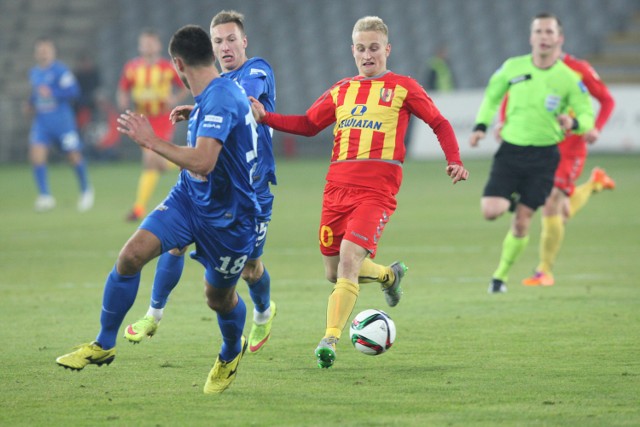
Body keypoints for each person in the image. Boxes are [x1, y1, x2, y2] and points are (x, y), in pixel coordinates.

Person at [250, 16, 469, 368]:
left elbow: (439, 122)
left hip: (376, 190)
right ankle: (388, 275)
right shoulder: (341, 90)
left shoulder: (403, 87)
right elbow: (308, 125)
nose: (368, 55)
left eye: (374, 48)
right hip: (336, 188)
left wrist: (454, 159)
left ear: (387, 49)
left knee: (350, 261)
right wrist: (266, 118)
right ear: (353, 51)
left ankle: (330, 339)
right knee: (333, 272)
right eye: (361, 49)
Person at [56, 24, 260, 394]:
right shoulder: (216, 93)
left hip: (231, 217)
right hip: (189, 199)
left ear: (177, 64)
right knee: (131, 255)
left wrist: (151, 141)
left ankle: (232, 350)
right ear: (209, 56)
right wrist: (193, 113)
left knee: (218, 298)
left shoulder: (219, 98)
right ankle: (104, 343)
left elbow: (202, 161)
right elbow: (219, 126)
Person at [124, 10, 278, 354]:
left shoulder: (256, 71)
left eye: (231, 39)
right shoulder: (211, 91)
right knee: (174, 242)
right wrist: (198, 110)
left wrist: (202, 106)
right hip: (205, 188)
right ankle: (154, 313)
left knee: (251, 269)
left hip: (250, 192)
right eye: (218, 41)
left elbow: (242, 104)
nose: (225, 47)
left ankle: (265, 312)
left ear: (244, 42)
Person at [469, 13, 595, 294]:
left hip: (544, 157)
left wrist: (574, 123)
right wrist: (480, 126)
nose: (544, 36)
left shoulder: (568, 78)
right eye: (539, 31)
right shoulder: (512, 67)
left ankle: (499, 277)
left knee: (522, 222)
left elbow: (587, 113)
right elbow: (492, 96)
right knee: (491, 211)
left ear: (559, 38)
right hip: (511, 152)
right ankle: (512, 199)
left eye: (549, 31)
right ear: (531, 37)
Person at [494, 40, 616, 288]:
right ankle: (595, 184)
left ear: (558, 41)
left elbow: (607, 100)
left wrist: (596, 128)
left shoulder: (578, 68)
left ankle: (544, 271)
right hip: (539, 145)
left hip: (570, 149)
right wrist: (502, 122)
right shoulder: (527, 68)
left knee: (551, 203)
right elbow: (511, 93)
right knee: (562, 212)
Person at [117, 29, 189, 221]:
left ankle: (139, 208)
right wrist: (123, 102)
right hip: (143, 120)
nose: (148, 46)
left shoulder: (167, 67)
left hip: (162, 119)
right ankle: (190, 162)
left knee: (150, 159)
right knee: (156, 164)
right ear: (140, 46)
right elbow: (123, 89)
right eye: (145, 43)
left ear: (158, 46)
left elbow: (185, 85)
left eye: (151, 43)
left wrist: (174, 99)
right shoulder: (132, 67)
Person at [25, 36, 94, 212]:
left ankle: (86, 190)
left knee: (73, 156)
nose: (43, 54)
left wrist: (53, 92)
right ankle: (45, 196)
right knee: (36, 155)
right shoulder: (34, 72)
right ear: (36, 53)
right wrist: (30, 104)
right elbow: (37, 94)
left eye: (46, 50)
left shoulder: (61, 71)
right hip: (42, 123)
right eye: (40, 51)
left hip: (63, 123)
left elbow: (74, 91)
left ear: (53, 52)